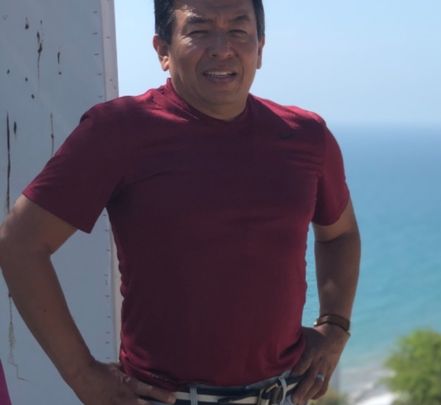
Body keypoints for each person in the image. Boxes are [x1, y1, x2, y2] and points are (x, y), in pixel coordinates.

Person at [0, 0, 360, 404]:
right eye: (199, 31)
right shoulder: (120, 130)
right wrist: (82, 375)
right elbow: (19, 243)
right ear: (163, 51)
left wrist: (335, 326)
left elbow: (339, 234)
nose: (222, 49)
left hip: (282, 394)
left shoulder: (306, 136)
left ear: (260, 48)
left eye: (238, 30)